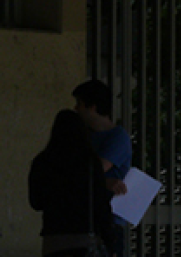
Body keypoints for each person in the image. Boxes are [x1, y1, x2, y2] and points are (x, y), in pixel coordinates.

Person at [28, 109, 112, 256]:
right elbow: (101, 205)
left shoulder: (42, 162)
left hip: (53, 241)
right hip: (86, 241)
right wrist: (110, 241)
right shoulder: (90, 163)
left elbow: (36, 202)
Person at [73, 79, 133, 257]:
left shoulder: (117, 138)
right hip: (86, 218)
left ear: (92, 107)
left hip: (108, 220)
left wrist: (103, 181)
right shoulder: (85, 136)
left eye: (80, 104)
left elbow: (94, 170)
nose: (76, 109)